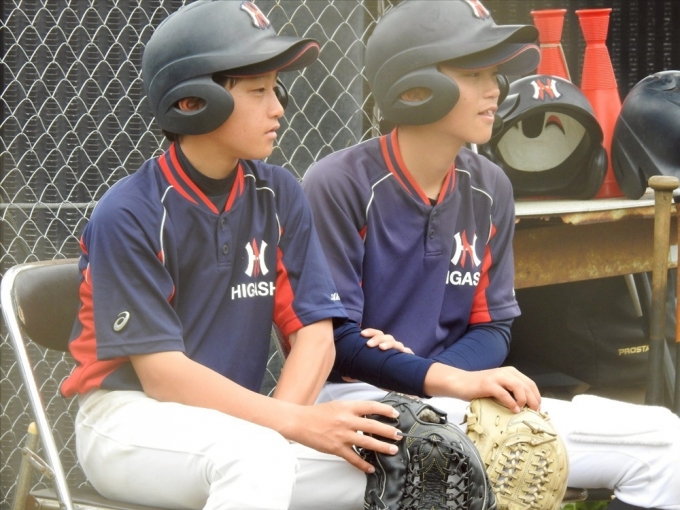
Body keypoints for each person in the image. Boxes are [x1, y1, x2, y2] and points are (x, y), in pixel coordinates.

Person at [302, 1, 680, 510]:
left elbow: (493, 328)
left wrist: (437, 377)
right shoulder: (338, 183)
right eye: (474, 73)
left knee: (665, 442)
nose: (495, 89)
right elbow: (336, 344)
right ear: (414, 89)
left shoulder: (489, 186)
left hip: (452, 397)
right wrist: (439, 379)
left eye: (494, 74)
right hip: (358, 403)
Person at [59, 2, 407, 509]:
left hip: (242, 422)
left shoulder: (278, 193)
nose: (278, 108)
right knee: (256, 459)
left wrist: (287, 425)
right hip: (127, 417)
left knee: (400, 463)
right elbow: (162, 375)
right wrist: (289, 425)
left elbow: (315, 338)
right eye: (258, 91)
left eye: (277, 89)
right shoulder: (130, 212)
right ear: (192, 102)